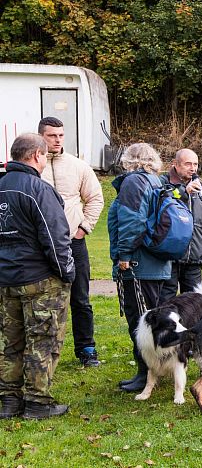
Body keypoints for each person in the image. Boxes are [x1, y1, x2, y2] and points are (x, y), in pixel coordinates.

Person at [0, 133, 75, 419]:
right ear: (36, 156)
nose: (45, 162)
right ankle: (37, 401)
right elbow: (56, 238)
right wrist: (67, 273)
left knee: (10, 341)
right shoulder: (37, 189)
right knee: (42, 340)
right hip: (39, 280)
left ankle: (8, 400)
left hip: (6, 280)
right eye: (44, 156)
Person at [38, 117, 105, 367]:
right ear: (41, 137)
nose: (57, 140)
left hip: (74, 243)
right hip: (42, 245)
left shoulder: (78, 166)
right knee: (44, 299)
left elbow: (95, 198)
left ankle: (87, 349)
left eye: (61, 135)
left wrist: (83, 228)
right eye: (51, 135)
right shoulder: (35, 166)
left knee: (80, 298)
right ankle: (44, 350)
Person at [107, 143, 172, 393]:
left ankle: (146, 374)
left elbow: (132, 221)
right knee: (153, 319)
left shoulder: (134, 182)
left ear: (129, 160)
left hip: (139, 265)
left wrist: (124, 255)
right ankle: (157, 369)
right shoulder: (156, 181)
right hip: (156, 263)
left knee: (141, 322)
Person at [159, 148, 202, 302]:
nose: (193, 168)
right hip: (169, 254)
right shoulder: (163, 183)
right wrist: (183, 192)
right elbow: (161, 205)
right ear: (175, 164)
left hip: (195, 254)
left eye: (195, 164)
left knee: (194, 303)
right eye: (188, 164)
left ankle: (191, 327)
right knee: (166, 302)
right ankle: (167, 327)